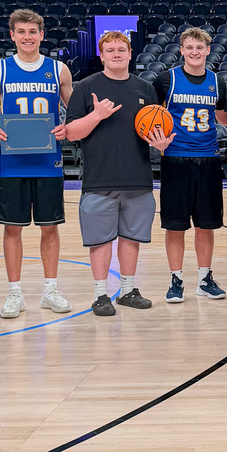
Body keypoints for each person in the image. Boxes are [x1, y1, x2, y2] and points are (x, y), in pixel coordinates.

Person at [0, 9, 73, 319]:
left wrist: (67, 126)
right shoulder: (0, 68)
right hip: (12, 160)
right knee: (12, 229)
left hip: (48, 160)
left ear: (42, 35)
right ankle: (14, 293)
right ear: (12, 35)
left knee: (50, 227)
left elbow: (73, 109)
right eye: (21, 31)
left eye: (33, 31)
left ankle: (50, 290)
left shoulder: (58, 69)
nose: (27, 36)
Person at [64, 30, 163, 316]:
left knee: (131, 237)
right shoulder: (86, 87)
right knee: (100, 240)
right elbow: (71, 133)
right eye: (111, 50)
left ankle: (129, 290)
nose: (116, 54)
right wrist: (97, 115)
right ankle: (100, 295)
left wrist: (160, 144)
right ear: (102, 55)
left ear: (130, 54)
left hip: (137, 177)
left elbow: (154, 130)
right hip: (99, 178)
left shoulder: (145, 88)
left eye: (121, 50)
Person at [154, 27, 227, 304]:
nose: (195, 52)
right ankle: (176, 280)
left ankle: (204, 279)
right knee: (175, 226)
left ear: (208, 50)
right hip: (175, 158)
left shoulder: (218, 82)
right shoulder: (166, 80)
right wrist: (157, 141)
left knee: (206, 225)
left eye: (199, 47)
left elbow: (224, 118)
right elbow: (151, 116)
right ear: (182, 50)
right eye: (189, 47)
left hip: (208, 158)